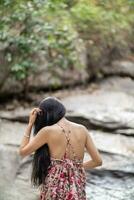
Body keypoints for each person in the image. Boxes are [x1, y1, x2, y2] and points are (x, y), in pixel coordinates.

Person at [19, 97, 102, 200]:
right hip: (77, 186)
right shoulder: (82, 129)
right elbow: (98, 161)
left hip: (55, 187)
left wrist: (30, 124)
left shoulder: (47, 131)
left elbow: (22, 151)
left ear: (46, 115)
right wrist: (74, 168)